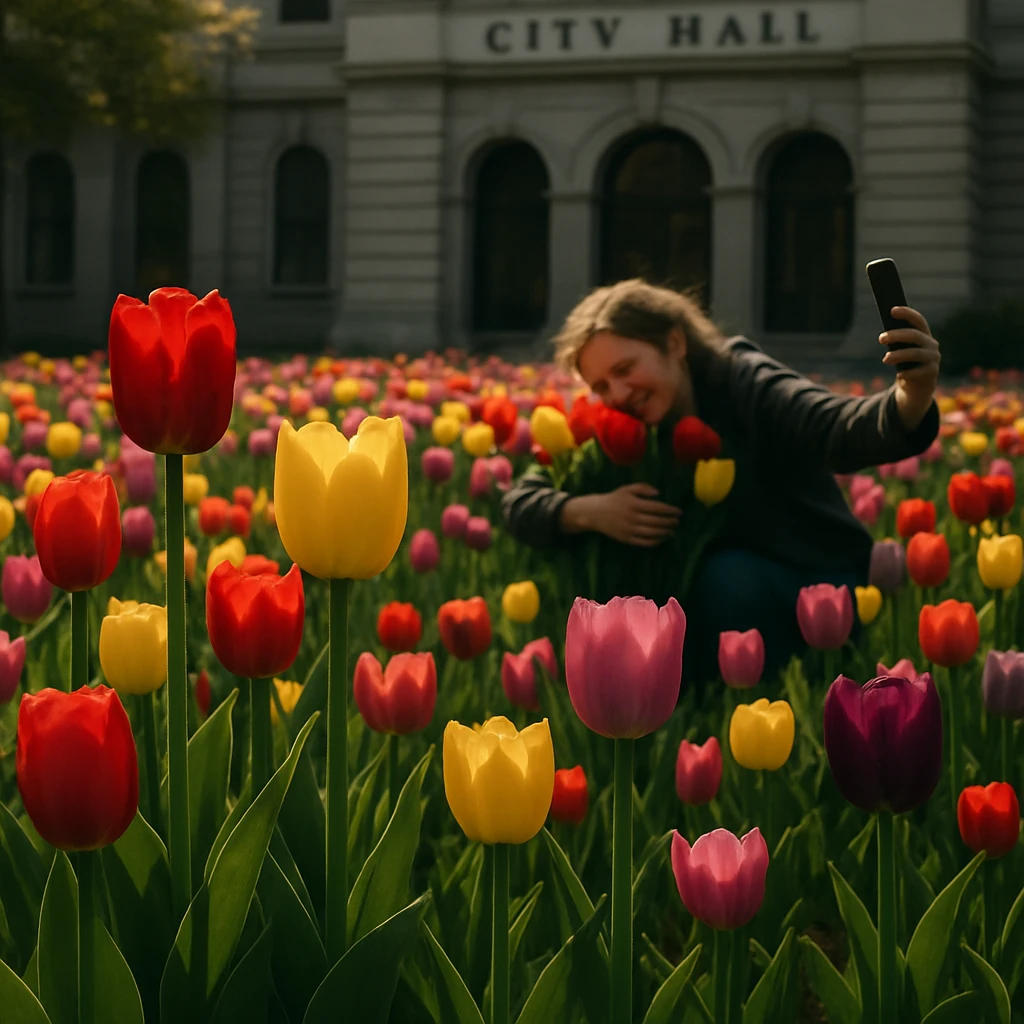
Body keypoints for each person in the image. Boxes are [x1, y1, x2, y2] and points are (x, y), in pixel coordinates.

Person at [501, 278, 941, 689]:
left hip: (815, 588)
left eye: (625, 368)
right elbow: (522, 498)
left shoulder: (742, 381)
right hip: (721, 608)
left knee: (726, 579)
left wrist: (912, 393)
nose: (616, 393)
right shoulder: (621, 430)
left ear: (674, 343)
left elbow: (835, 427)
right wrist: (586, 512)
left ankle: (775, 701)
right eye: (601, 384)